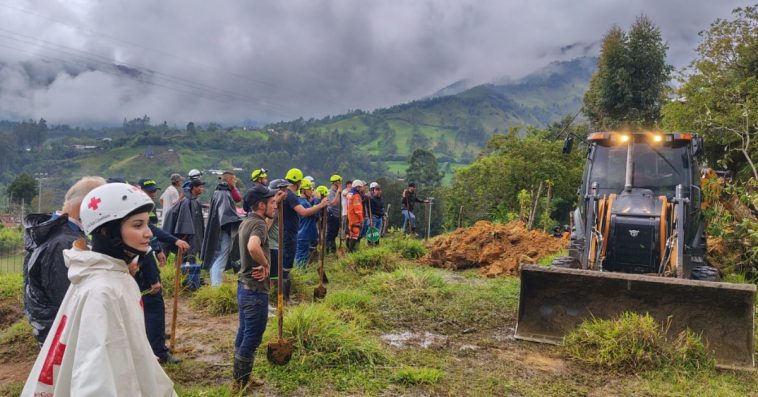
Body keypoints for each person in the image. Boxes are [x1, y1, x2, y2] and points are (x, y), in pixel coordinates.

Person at [21, 182, 177, 397]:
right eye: (137, 225)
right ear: (107, 231)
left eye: (147, 224)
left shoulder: (104, 275)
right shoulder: (102, 290)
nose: (148, 233)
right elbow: (93, 377)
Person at [22, 176, 106, 346]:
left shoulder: (55, 230)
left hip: (53, 326)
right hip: (62, 333)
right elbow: (68, 296)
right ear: (86, 205)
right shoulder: (64, 243)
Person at [232, 184, 279, 393]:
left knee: (244, 332)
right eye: (271, 203)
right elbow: (253, 246)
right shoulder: (258, 225)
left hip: (243, 287)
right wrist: (266, 264)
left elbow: (256, 238)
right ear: (261, 205)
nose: (275, 206)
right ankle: (240, 382)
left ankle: (241, 377)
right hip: (255, 290)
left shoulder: (248, 221)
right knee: (253, 335)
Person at [137, 178, 189, 364]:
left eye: (153, 190)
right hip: (141, 266)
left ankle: (153, 342)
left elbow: (152, 232)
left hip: (142, 262)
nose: (153, 193)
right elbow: (148, 233)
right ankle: (159, 351)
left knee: (145, 308)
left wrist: (160, 248)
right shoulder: (137, 210)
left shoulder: (141, 209)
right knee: (154, 306)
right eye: (148, 191)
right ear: (137, 190)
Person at [281, 168, 329, 302]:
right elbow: (304, 212)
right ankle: (284, 298)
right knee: (287, 267)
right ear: (298, 182)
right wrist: (321, 205)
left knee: (287, 266)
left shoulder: (286, 194)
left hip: (289, 232)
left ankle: (285, 296)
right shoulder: (290, 196)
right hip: (289, 234)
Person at [202, 171, 242, 286]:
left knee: (218, 257)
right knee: (221, 258)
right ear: (228, 180)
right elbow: (226, 215)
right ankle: (216, 287)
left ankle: (216, 285)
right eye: (234, 179)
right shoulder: (224, 194)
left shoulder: (218, 191)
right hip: (223, 229)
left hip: (218, 229)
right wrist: (239, 221)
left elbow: (237, 199)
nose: (235, 181)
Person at [163, 178, 205, 263]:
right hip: (187, 236)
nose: (202, 189)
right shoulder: (187, 201)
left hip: (192, 235)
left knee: (189, 257)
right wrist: (184, 237)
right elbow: (184, 221)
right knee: (186, 257)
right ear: (194, 188)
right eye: (200, 187)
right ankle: (186, 274)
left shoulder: (194, 201)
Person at [267, 179, 291, 290]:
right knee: (272, 277)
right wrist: (276, 203)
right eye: (284, 190)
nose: (286, 193)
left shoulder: (279, 204)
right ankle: (271, 297)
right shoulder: (274, 207)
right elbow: (266, 226)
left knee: (276, 276)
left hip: (277, 244)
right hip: (272, 246)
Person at [295, 180, 319, 268]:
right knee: (301, 258)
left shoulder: (303, 201)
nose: (311, 191)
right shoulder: (303, 203)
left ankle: (302, 274)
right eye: (309, 189)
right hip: (303, 234)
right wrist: (318, 201)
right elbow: (316, 214)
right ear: (303, 190)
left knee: (303, 257)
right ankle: (301, 275)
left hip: (305, 233)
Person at [346, 180, 366, 252]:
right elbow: (358, 209)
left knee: (349, 234)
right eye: (360, 187)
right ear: (357, 187)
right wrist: (361, 218)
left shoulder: (349, 194)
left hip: (350, 216)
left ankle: (348, 248)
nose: (361, 189)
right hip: (355, 218)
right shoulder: (356, 196)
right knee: (355, 234)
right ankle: (351, 251)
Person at [325, 175, 342, 254]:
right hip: (332, 214)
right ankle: (327, 249)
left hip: (337, 215)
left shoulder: (337, 192)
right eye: (339, 182)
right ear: (335, 183)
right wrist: (338, 192)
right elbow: (334, 203)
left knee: (335, 233)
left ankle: (332, 247)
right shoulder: (331, 192)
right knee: (330, 233)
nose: (340, 184)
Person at [366, 182, 385, 246]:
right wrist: (370, 218)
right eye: (376, 190)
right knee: (371, 231)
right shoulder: (371, 199)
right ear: (374, 191)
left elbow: (382, 208)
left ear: (381, 191)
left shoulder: (382, 199)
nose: (377, 191)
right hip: (373, 217)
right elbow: (368, 209)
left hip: (380, 218)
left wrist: (383, 215)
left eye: (379, 190)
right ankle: (369, 243)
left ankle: (377, 244)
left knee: (377, 232)